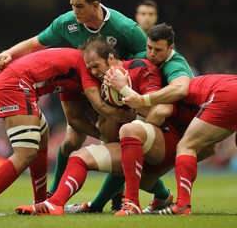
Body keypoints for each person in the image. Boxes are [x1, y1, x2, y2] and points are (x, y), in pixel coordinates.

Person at [0, 0, 147, 206]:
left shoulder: (125, 28)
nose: (74, 11)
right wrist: (8, 53)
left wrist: (123, 80)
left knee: (117, 137)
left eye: (80, 6)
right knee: (72, 138)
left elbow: (145, 61)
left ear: (95, 4)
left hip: (113, 88)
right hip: (80, 81)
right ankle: (55, 194)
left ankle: (119, 195)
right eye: (72, 5)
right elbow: (36, 43)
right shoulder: (66, 22)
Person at [14, 38, 179, 216]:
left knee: (129, 131)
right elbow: (108, 136)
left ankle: (131, 203)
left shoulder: (141, 67)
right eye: (89, 68)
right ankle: (54, 204)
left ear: (110, 57)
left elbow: (157, 111)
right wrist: (106, 108)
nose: (92, 72)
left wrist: (123, 89)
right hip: (135, 152)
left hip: (163, 142)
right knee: (79, 156)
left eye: (95, 65)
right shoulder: (102, 86)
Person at [0, 48, 134, 216]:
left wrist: (103, 135)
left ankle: (40, 203)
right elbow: (99, 106)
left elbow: (75, 120)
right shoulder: (87, 68)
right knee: (26, 153)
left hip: (17, 83)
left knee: (42, 138)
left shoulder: (76, 69)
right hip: (16, 83)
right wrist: (136, 117)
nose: (94, 71)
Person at [63, 23, 204, 214]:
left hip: (185, 131)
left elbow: (176, 94)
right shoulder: (142, 64)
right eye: (148, 48)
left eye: (157, 50)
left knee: (131, 135)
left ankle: (146, 203)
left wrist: (130, 95)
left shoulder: (173, 64)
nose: (151, 54)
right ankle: (161, 198)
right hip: (169, 132)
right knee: (134, 162)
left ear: (171, 49)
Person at [150, 74, 237, 215]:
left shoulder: (176, 91)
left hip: (231, 94)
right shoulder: (198, 81)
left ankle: (182, 205)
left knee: (186, 146)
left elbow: (163, 111)